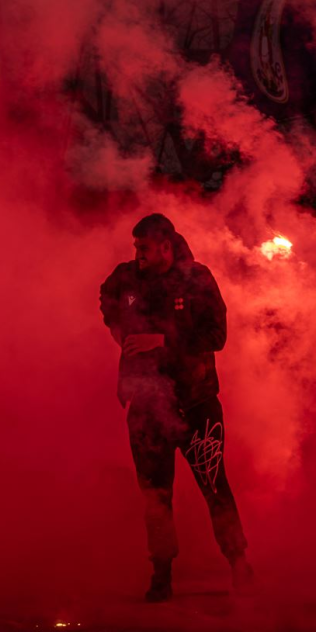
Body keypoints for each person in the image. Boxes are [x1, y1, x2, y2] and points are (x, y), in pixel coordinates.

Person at [100, 213, 250, 603]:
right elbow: (107, 298)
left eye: (144, 248)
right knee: (155, 494)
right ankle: (161, 573)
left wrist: (160, 341)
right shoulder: (127, 277)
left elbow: (217, 336)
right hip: (147, 407)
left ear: (166, 246)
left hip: (194, 404)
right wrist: (118, 330)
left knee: (214, 485)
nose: (138, 255)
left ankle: (239, 563)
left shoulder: (197, 279)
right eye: (135, 248)